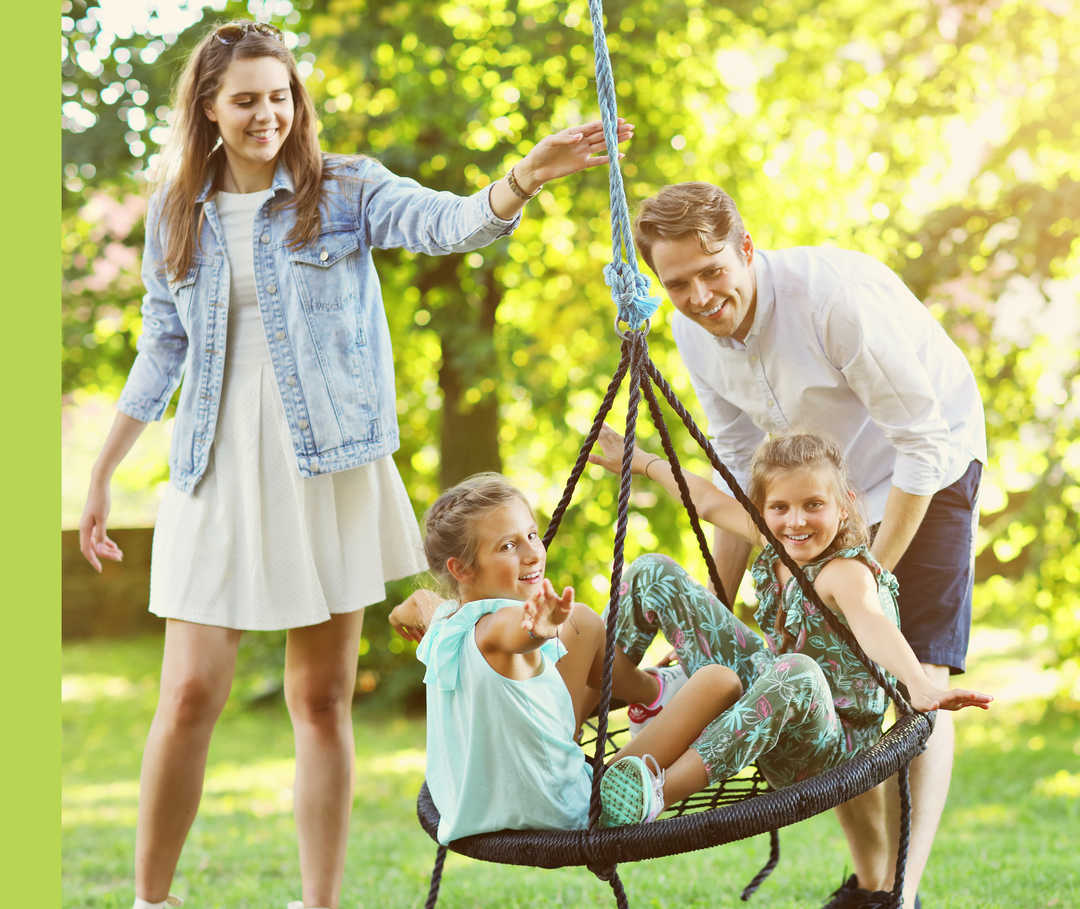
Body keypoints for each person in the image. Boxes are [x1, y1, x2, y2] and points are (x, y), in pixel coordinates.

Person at [76, 19, 633, 909]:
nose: (267, 114)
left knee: (321, 695)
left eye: (280, 95)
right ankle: (151, 900)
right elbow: (161, 345)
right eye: (246, 100)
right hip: (214, 466)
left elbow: (448, 224)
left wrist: (524, 176)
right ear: (208, 108)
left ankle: (320, 902)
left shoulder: (343, 188)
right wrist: (105, 468)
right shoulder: (177, 209)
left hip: (328, 467)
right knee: (187, 693)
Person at [632, 182, 987, 908]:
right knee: (830, 683)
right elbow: (737, 476)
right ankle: (869, 883)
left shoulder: (832, 301)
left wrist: (858, 584)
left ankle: (904, 894)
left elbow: (922, 441)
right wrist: (716, 607)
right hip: (813, 494)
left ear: (746, 248)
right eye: (677, 284)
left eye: (712, 271)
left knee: (915, 672)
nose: (700, 296)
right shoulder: (693, 331)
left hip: (925, 464)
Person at [588, 428, 990, 902]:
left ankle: (655, 791)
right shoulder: (773, 539)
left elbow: (872, 623)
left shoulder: (844, 572)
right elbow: (707, 501)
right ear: (761, 510)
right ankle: (588, 712)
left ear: (844, 506)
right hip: (772, 700)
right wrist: (641, 461)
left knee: (796, 669)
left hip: (829, 745)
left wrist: (918, 684)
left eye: (813, 505)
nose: (796, 520)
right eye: (779, 507)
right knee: (652, 572)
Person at [413, 472, 748, 841]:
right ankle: (643, 764)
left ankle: (651, 696)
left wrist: (404, 611)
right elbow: (513, 632)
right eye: (507, 546)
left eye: (531, 535)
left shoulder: (444, 622)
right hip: (569, 807)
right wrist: (538, 628)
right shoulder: (498, 627)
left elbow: (420, 607)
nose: (532, 554)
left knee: (583, 622)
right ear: (461, 569)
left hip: (480, 808)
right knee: (721, 680)